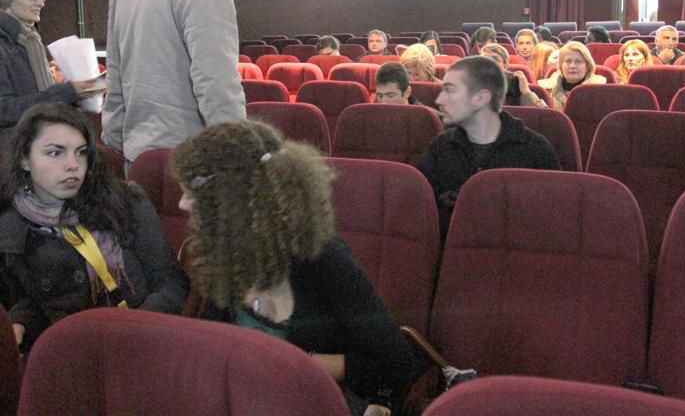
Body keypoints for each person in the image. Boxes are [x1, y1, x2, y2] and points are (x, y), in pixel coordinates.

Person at [171, 120, 413, 415]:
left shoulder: (322, 258)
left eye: (191, 193)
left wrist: (292, 361)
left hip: (310, 400)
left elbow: (394, 363)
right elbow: (213, 343)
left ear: (231, 200)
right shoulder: (224, 253)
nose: (182, 204)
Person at [0, 103, 188, 352]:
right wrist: (20, 324)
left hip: (145, 338)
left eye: (80, 152)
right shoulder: (10, 228)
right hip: (72, 350)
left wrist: (128, 333)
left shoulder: (122, 199)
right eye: (55, 153)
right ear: (24, 159)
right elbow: (31, 304)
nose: (72, 164)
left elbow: (171, 284)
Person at [102, 0, 246, 164]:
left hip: (137, 155)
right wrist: (235, 151)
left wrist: (116, 143)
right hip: (189, 156)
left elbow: (115, 77)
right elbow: (216, 80)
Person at [419, 57, 560, 242]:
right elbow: (421, 213)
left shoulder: (536, 149)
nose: (440, 99)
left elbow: (552, 221)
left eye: (451, 91)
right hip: (455, 250)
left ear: (481, 98)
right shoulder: (440, 146)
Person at [0, 0, 100, 142]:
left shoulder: (30, 42)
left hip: (34, 142)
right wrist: (66, 92)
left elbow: (31, 94)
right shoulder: (9, 44)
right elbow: (4, 111)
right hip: (14, 150)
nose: (40, 3)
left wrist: (69, 89)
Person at [537, 41, 606, 110]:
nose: (572, 66)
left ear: (587, 67)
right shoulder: (544, 90)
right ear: (561, 66)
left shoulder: (599, 90)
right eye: (568, 61)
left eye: (578, 61)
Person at [480, 42, 547, 107]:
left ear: (505, 65)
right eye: (485, 60)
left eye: (495, 60)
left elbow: (541, 111)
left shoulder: (516, 84)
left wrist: (526, 91)